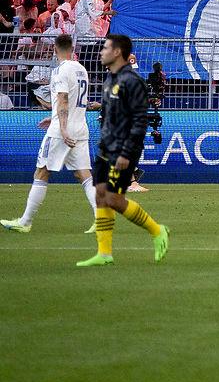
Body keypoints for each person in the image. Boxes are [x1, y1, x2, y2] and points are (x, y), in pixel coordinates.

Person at [75, 35, 168, 266]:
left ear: (117, 52)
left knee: (115, 199)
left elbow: (139, 120)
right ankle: (104, 253)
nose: (101, 52)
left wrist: (126, 152)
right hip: (106, 147)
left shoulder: (131, 80)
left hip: (123, 150)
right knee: (100, 197)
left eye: (105, 48)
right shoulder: (111, 80)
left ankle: (157, 231)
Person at [2, 33, 97, 232]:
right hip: (80, 127)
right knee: (84, 175)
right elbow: (77, 100)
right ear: (72, 50)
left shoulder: (60, 71)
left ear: (54, 49)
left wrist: (61, 126)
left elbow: (63, 98)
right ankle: (101, 219)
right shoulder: (81, 69)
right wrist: (54, 116)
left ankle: (25, 222)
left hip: (62, 131)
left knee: (41, 171)